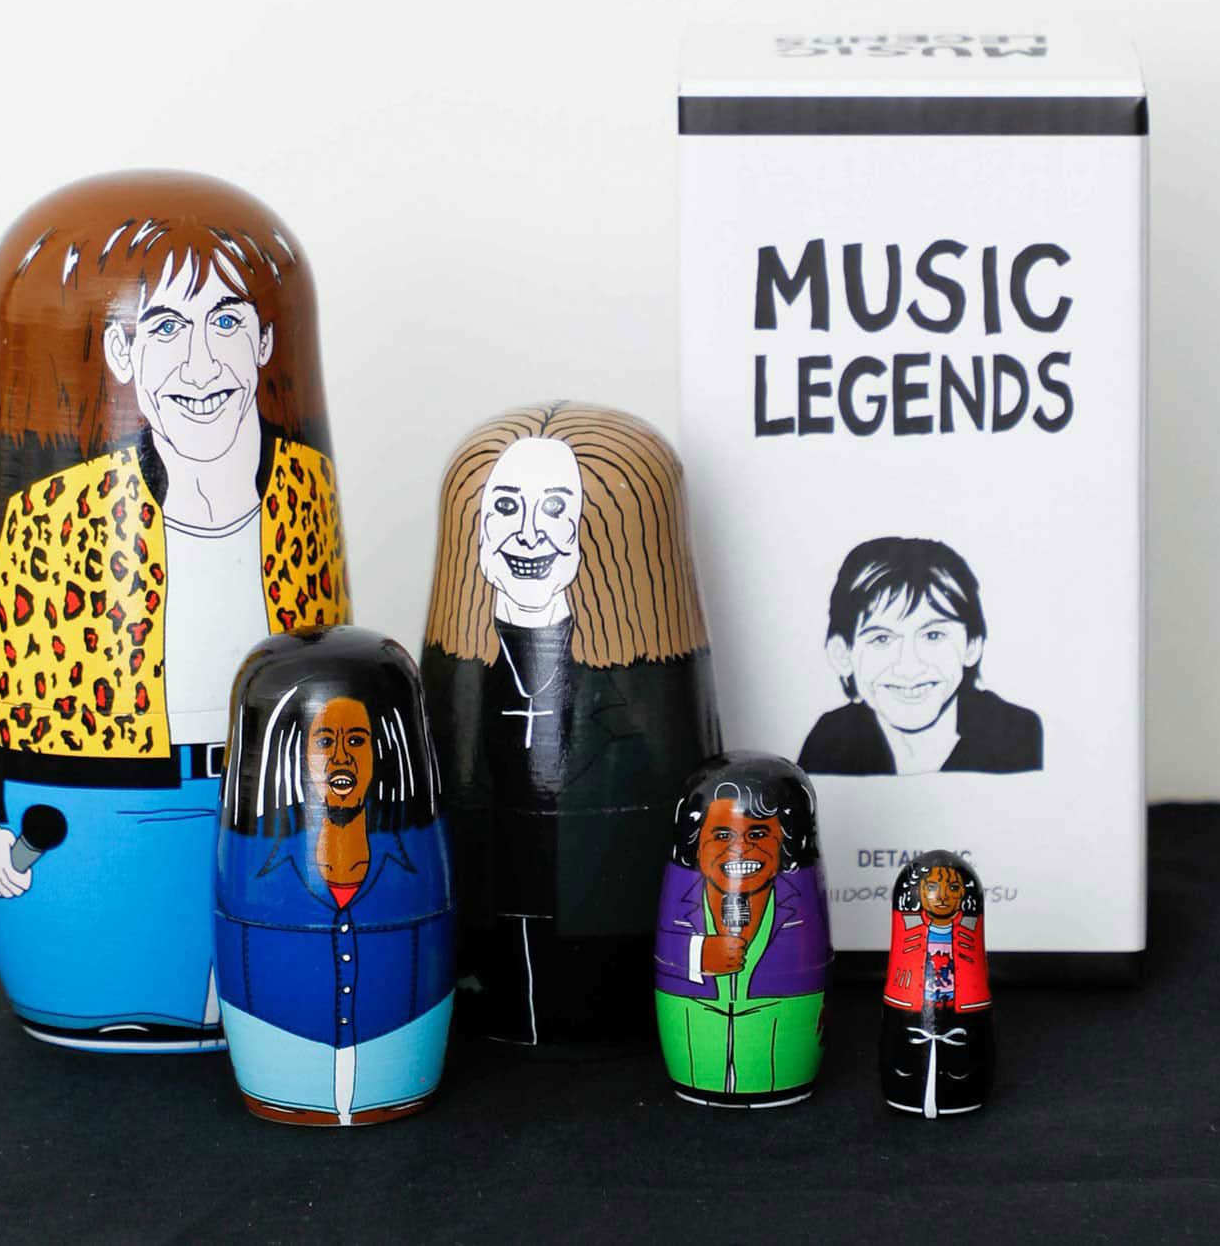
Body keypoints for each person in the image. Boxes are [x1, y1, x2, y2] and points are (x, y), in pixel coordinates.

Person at [0, 171, 351, 1050]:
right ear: (122, 354)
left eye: (227, 322)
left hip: (274, 797)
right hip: (101, 805)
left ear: (266, 342)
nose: (201, 365)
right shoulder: (51, 515)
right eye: (165, 327)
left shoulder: (303, 491)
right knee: (120, 1002)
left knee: (266, 1009)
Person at [420, 402, 722, 1044]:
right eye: (506, 507)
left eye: (556, 509)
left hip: (610, 975)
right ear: (477, 530)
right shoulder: (455, 681)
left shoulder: (642, 685)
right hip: (478, 969)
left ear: (595, 532)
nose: (529, 534)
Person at [214, 630, 454, 1125]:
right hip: (281, 1045)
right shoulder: (260, 859)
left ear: (380, 754)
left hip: (398, 1050)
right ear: (298, 754)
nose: (340, 758)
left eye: (356, 741)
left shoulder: (412, 858)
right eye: (324, 741)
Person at [654, 755, 832, 1107]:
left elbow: (812, 957)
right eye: (722, 835)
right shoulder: (683, 894)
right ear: (696, 842)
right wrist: (699, 955)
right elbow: (667, 949)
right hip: (692, 1024)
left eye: (759, 833)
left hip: (778, 1032)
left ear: (785, 840)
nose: (741, 848)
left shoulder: (800, 899)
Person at [798, 536, 1042, 776]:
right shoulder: (830, 739)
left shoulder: (1016, 734)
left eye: (933, 636)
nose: (909, 667)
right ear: (842, 655)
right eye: (881, 639)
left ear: (972, 646)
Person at [879, 852, 994, 1117]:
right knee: (906, 1061)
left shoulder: (969, 928)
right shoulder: (908, 926)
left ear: (962, 894)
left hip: (964, 1010)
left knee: (962, 1063)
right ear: (920, 891)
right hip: (908, 1009)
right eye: (932, 887)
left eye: (952, 888)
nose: (941, 896)